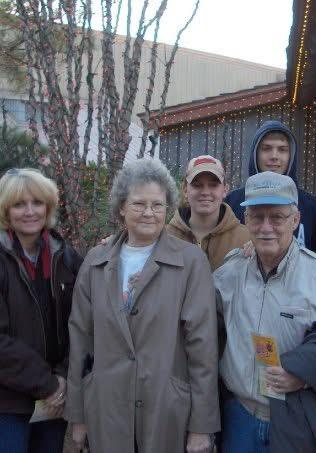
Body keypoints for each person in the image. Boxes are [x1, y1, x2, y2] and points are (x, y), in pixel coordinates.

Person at [214, 171, 316, 452]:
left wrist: (307, 376)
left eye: (277, 217)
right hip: (239, 419)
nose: (266, 227)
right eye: (257, 217)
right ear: (246, 220)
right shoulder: (227, 275)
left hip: (300, 418)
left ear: (295, 220)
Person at [65, 159, 220, 453]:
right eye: (139, 204)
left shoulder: (191, 262)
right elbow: (80, 340)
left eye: (157, 205)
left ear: (168, 208)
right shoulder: (95, 261)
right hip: (106, 409)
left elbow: (203, 348)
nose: (149, 213)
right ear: (122, 207)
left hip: (166, 409)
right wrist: (78, 415)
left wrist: (201, 425)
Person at [0, 168, 82, 453]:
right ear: (5, 210)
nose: (30, 211)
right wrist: (47, 384)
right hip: (3, 403)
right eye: (18, 204)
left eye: (37, 202)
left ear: (48, 207)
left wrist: (63, 376)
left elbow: (83, 322)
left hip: (53, 400)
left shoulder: (66, 257)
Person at [225, 120, 316, 256]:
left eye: (282, 149)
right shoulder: (232, 203)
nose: (274, 156)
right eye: (266, 148)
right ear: (255, 154)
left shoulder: (312, 207)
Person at [167, 154, 250, 270]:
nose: (205, 192)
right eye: (197, 185)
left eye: (213, 185)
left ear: (225, 190)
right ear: (185, 190)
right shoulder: (164, 237)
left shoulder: (246, 239)